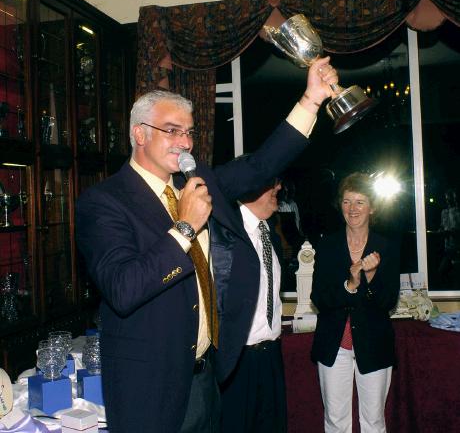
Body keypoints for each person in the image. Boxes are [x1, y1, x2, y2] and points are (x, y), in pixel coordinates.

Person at [76, 56, 338, 433]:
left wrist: (311, 101)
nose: (185, 143)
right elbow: (123, 288)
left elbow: (259, 167)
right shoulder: (105, 201)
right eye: (172, 130)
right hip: (149, 390)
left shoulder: (194, 183)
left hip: (205, 378)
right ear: (139, 134)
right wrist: (185, 227)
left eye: (189, 132)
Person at [310, 173, 400, 433]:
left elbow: (388, 302)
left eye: (360, 202)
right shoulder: (328, 245)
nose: (352, 209)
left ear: (372, 208)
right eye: (347, 202)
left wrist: (370, 277)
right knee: (336, 422)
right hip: (333, 345)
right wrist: (350, 285)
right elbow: (319, 298)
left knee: (373, 422)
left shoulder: (386, 246)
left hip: (374, 344)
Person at [221, 178, 287, 433]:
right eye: (271, 182)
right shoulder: (225, 235)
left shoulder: (271, 232)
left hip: (271, 356)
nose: (278, 188)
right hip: (237, 361)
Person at [437, 188, 460, 281]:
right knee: (441, 272)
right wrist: (439, 232)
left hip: (457, 247)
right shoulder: (444, 212)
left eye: (451, 198)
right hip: (449, 248)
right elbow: (442, 226)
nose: (448, 200)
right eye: (447, 198)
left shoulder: (458, 211)